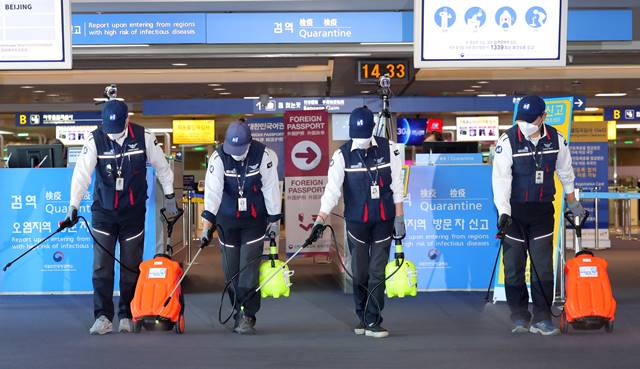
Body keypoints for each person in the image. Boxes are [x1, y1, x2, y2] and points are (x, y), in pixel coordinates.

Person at [63, 100, 178, 335]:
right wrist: (73, 205)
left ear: (127, 119)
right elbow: (81, 174)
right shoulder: (95, 139)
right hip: (103, 213)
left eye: (117, 130)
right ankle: (103, 316)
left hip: (133, 213)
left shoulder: (144, 136)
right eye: (109, 130)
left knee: (130, 267)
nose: (113, 135)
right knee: (101, 267)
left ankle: (127, 314)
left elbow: (162, 167)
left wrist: (169, 195)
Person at [492, 95, 585, 336]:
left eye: (531, 120)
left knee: (542, 267)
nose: (526, 124)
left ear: (543, 117)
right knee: (513, 266)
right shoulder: (508, 140)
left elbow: (566, 172)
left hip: (543, 211)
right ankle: (520, 316)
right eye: (522, 120)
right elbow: (501, 180)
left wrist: (573, 203)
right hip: (514, 213)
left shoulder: (557, 140)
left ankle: (542, 318)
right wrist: (503, 211)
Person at [309, 106, 405, 338]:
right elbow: (332, 190)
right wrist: (321, 218)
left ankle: (374, 319)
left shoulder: (389, 149)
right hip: (356, 223)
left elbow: (396, 186)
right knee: (360, 272)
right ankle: (362, 316)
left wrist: (399, 217)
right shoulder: (341, 155)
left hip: (383, 220)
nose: (361, 141)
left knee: (377, 271)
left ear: (372, 130)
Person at [200, 121, 281, 335]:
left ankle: (248, 315)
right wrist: (206, 226)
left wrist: (274, 221)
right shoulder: (218, 158)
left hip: (254, 222)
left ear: (249, 142)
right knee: (231, 273)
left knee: (249, 268)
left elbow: (272, 188)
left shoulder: (264, 156)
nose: (236, 154)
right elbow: (213, 193)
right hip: (227, 223)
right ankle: (238, 310)